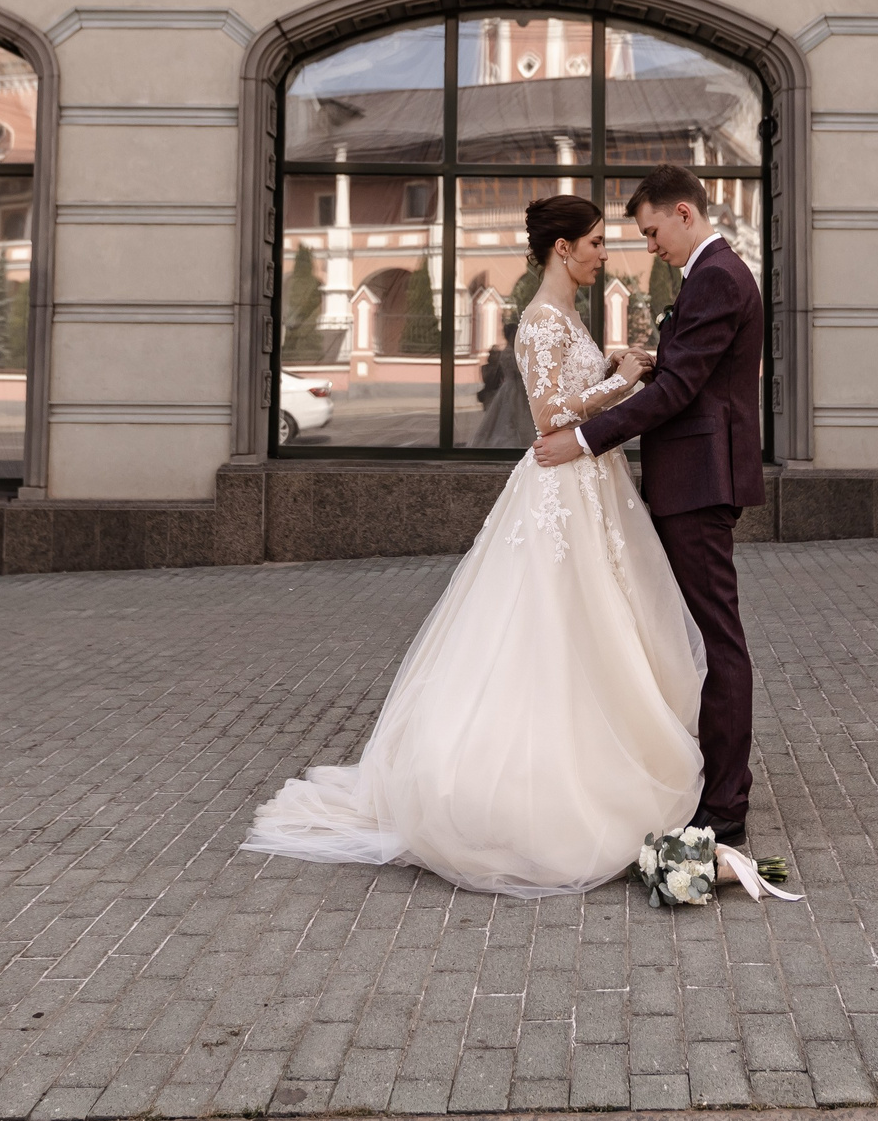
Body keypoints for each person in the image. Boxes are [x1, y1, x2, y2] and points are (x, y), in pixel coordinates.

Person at [243, 194, 707, 896]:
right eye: (595, 243)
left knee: (595, 623)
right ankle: (538, 781)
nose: (604, 254)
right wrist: (622, 380)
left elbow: (570, 384)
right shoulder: (541, 319)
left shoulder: (567, 315)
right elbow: (549, 413)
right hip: (561, 487)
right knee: (553, 625)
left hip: (589, 483)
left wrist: (609, 363)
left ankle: (597, 753)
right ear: (562, 249)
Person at [533, 163, 762, 847]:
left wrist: (583, 438)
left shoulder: (717, 276)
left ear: (684, 213)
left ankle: (725, 806)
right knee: (691, 632)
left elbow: (682, 392)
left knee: (717, 641)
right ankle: (708, 777)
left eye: (653, 231)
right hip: (692, 478)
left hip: (699, 482)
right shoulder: (710, 274)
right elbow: (693, 371)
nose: (650, 245)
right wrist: (652, 364)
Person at [468, 313, 534, 448]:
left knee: (515, 415)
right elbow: (516, 371)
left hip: (514, 386)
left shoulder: (510, 351)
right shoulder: (510, 353)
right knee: (512, 415)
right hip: (514, 387)